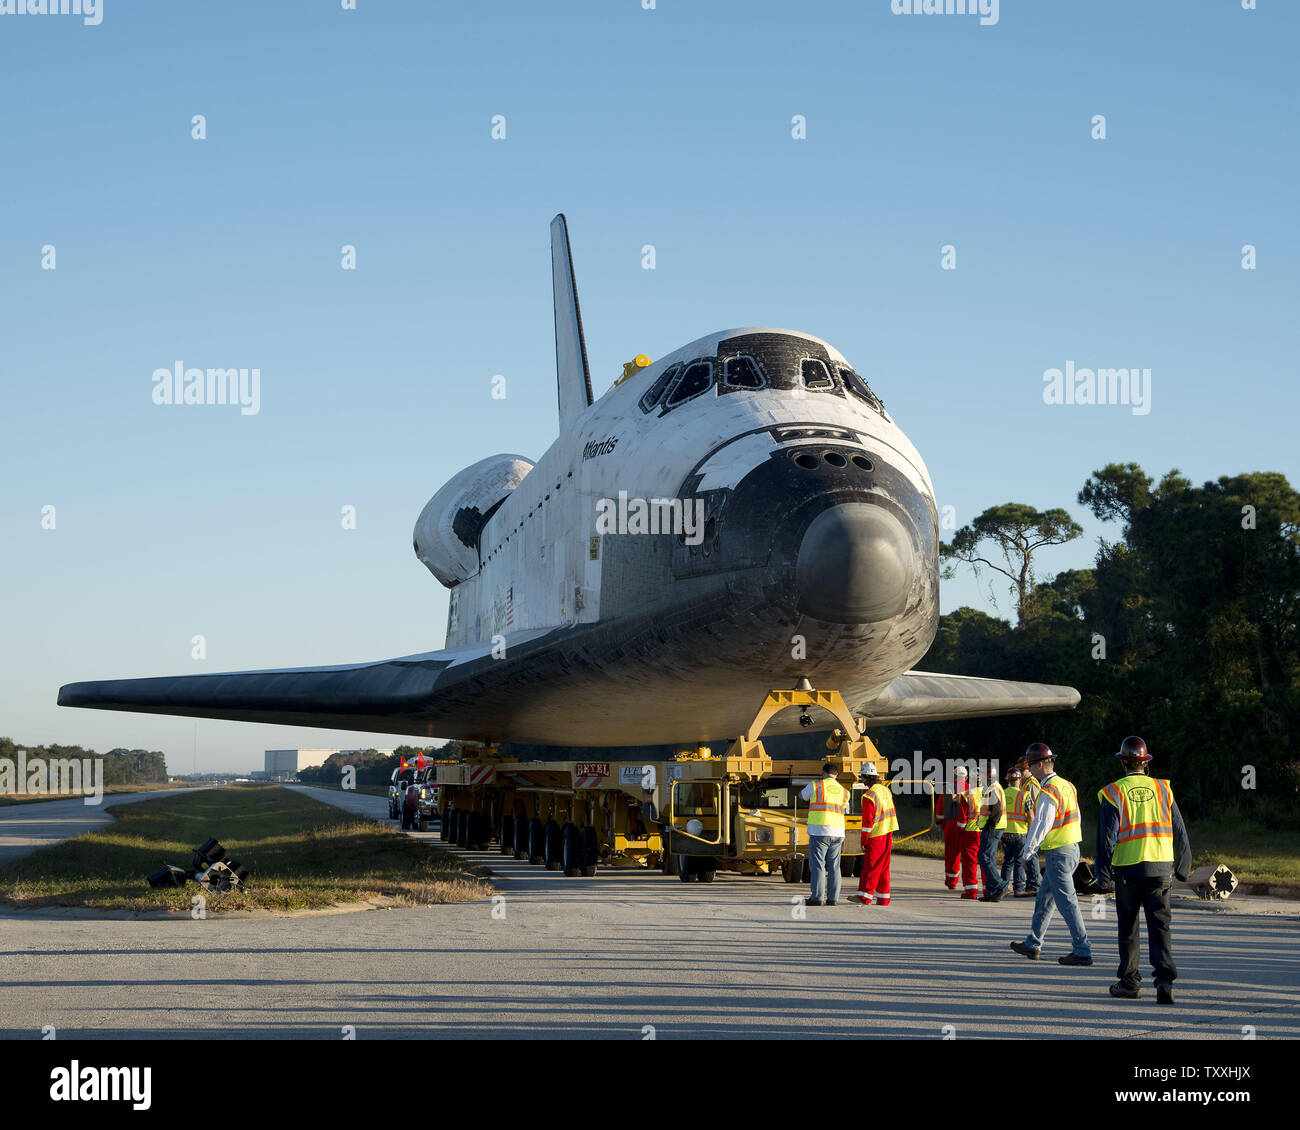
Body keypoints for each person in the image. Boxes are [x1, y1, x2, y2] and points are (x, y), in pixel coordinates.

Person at [1096, 736, 1192, 1004]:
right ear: (1146, 764)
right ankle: (1164, 982)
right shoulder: (1163, 789)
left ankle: (1130, 982)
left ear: (1123, 764)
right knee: (1160, 926)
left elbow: (1106, 838)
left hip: (1127, 871)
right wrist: (1184, 866)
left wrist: (1103, 877)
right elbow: (1180, 830)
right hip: (1160, 870)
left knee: (1128, 928)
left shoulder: (1114, 792)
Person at [1008, 742, 1092, 965]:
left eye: (1030, 765)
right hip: (1071, 848)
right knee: (1045, 898)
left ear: (1038, 765)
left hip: (1058, 853)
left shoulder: (1048, 790)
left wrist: (1028, 852)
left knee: (1067, 901)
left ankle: (1082, 949)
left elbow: (1041, 823)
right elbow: (1077, 817)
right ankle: (1033, 943)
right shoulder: (1067, 785)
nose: (1029, 770)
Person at [801, 762, 847, 906]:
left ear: (823, 773)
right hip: (838, 832)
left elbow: (802, 796)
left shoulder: (816, 785)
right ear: (836, 775)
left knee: (818, 865)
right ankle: (833, 899)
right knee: (834, 866)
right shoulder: (845, 791)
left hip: (819, 831)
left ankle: (817, 898)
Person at [854, 763, 897, 905]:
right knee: (884, 866)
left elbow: (867, 824)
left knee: (870, 866)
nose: (861, 780)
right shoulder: (886, 791)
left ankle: (864, 896)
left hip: (876, 834)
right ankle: (884, 898)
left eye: (862, 777)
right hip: (888, 831)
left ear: (867, 777)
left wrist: (863, 841)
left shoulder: (868, 796)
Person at [976, 765, 1007, 901]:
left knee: (984, 857)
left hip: (992, 828)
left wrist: (989, 825)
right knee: (990, 859)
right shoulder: (994, 786)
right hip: (994, 827)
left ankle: (1000, 886)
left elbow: (996, 810)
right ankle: (992, 893)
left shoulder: (992, 788)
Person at [957, 767, 983, 900]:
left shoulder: (966, 795)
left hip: (970, 832)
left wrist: (959, 832)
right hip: (985, 832)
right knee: (985, 862)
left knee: (969, 863)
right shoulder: (989, 793)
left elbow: (962, 820)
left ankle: (971, 891)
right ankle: (988, 888)